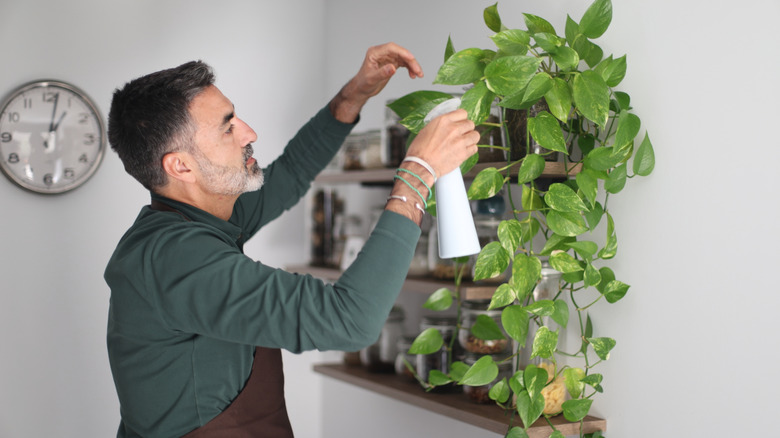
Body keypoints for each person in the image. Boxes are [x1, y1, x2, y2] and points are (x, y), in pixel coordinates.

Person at [104, 42, 479, 438]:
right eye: (227, 126)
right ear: (181, 165)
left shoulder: (194, 217)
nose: (249, 132)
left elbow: (290, 174)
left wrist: (354, 95)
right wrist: (418, 173)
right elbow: (349, 320)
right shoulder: (177, 258)